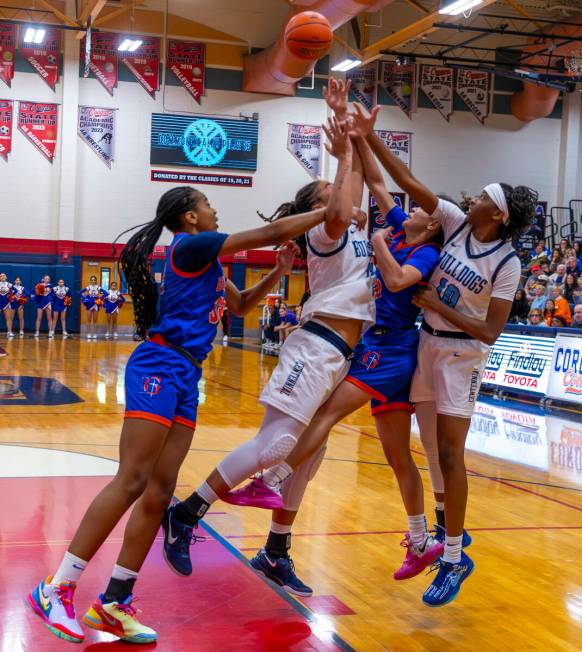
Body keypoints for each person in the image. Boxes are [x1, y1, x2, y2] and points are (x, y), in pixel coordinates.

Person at [28, 186, 333, 644]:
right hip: (160, 364)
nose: (214, 209)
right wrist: (332, 213)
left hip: (187, 374)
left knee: (161, 489)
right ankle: (57, 588)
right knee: (131, 479)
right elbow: (270, 230)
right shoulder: (191, 245)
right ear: (190, 217)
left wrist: (279, 274)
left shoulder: (209, 261)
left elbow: (240, 307)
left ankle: (114, 602)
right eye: (207, 204)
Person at [317, 103, 534, 607]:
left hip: (462, 358)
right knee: (430, 452)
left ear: (497, 215)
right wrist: (370, 138)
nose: (471, 198)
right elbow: (406, 179)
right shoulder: (454, 223)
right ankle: (438, 531)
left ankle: (454, 557)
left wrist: (437, 302)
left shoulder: (508, 262)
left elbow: (491, 331)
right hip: (425, 345)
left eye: (483, 197)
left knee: (453, 455)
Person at [162, 82, 376, 587]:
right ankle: (189, 511)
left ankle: (277, 550)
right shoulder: (327, 229)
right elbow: (341, 205)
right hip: (318, 344)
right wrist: (342, 155)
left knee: (311, 454)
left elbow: (357, 186)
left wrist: (355, 132)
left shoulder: (356, 227)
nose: (340, 193)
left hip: (344, 352)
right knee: (277, 444)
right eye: (329, 191)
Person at [224, 122, 446, 591]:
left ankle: (276, 478)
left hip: (388, 348)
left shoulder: (419, 252)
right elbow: (383, 183)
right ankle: (420, 537)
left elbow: (400, 279)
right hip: (378, 347)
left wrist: (382, 242)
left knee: (324, 417)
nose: (409, 212)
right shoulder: (396, 224)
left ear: (430, 230)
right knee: (396, 456)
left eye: (424, 214)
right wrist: (359, 140)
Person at [79, 276, 105, 340]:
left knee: (95, 320)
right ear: (90, 281)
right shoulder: (88, 287)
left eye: (94, 280)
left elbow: (106, 293)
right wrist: (85, 298)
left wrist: (100, 299)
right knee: (89, 320)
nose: (93, 281)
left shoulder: (98, 287)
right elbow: (79, 293)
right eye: (92, 280)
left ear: (96, 281)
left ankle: (94, 334)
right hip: (89, 304)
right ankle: (88, 334)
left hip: (96, 304)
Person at [0, 272, 14, 337]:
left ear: (6, 277)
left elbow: (16, 290)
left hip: (6, 303)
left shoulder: (9, 284)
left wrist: (11, 295)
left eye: (4, 276)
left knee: (8, 318)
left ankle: (9, 331)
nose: (2, 277)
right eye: (1, 276)